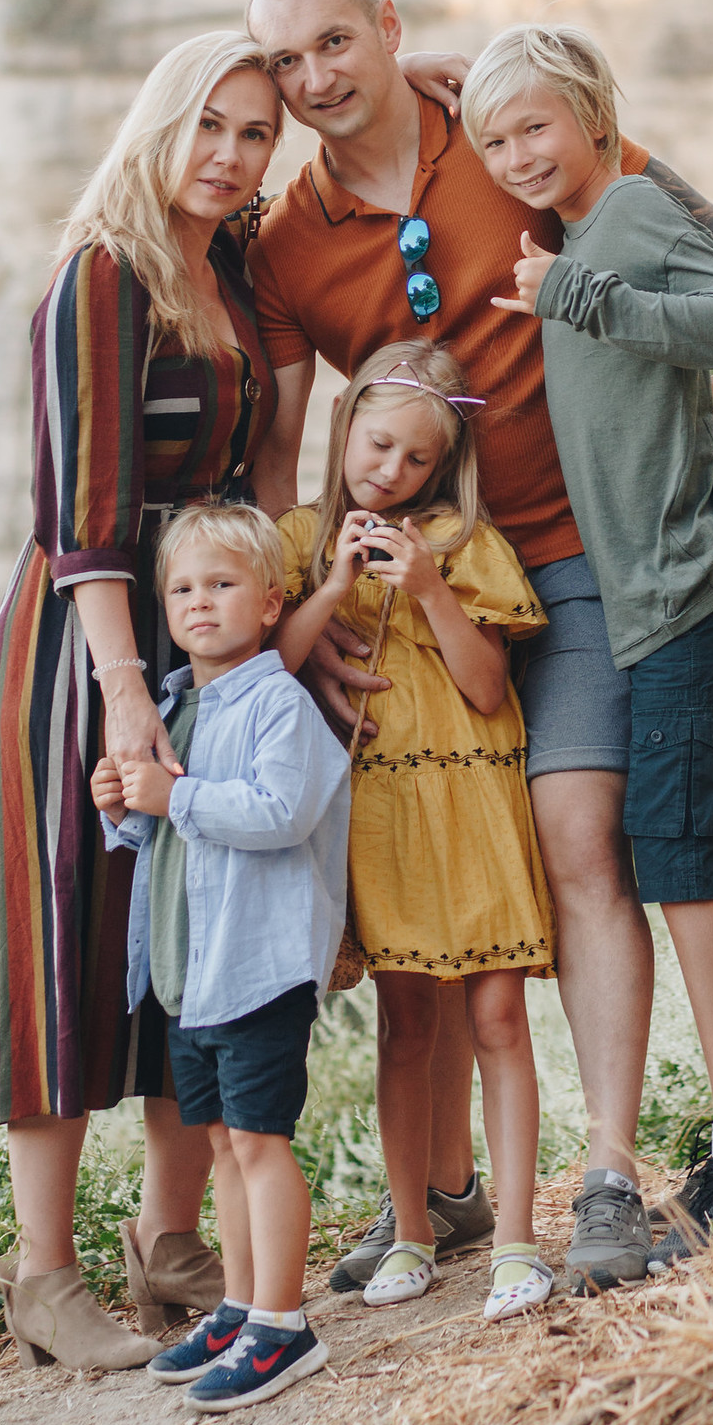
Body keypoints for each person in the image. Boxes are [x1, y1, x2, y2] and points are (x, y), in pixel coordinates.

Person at [246, 0, 713, 1290]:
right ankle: (431, 1200)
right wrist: (289, 618)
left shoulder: (499, 129)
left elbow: (684, 223)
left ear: (386, 29)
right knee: (418, 868)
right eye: (287, 62)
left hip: (583, 559)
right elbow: (287, 442)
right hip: (419, 606)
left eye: (334, 46)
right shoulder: (288, 246)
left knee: (580, 839)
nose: (316, 82)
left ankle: (603, 1175)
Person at [472, 21, 713, 1250]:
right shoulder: (596, 228)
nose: (516, 152)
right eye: (492, 138)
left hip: (684, 583)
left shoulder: (618, 223)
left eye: (535, 125)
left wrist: (575, 291)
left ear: (595, 115)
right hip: (662, 594)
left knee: (677, 853)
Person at [0, 30, 284, 1372]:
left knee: (189, 929)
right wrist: (119, 693)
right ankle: (42, 1276)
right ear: (161, 121)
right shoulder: (100, 278)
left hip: (200, 636)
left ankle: (168, 1247)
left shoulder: (228, 270)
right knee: (67, 930)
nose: (230, 154)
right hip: (82, 647)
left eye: (258, 132)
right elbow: (84, 514)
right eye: (210, 124)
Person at [276, 341, 557, 1324]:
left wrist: (433, 587)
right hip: (383, 818)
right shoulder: (302, 539)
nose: (389, 472)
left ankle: (517, 1236)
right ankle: (410, 1231)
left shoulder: (467, 545)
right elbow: (271, 669)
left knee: (498, 1021)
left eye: (413, 461)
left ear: (441, 470)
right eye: (378, 445)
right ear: (345, 424)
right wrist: (328, 584)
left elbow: (487, 690)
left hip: (476, 805)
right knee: (404, 1028)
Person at [92, 502, 350, 1409]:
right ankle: (241, 1302)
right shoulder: (171, 708)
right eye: (183, 588)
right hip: (187, 972)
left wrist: (177, 794)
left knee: (259, 1141)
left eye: (224, 584)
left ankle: (285, 1323)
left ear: (273, 602)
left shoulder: (283, 705)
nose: (200, 603)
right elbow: (159, 836)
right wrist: (124, 804)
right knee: (219, 1142)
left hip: (257, 964)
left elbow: (282, 815)